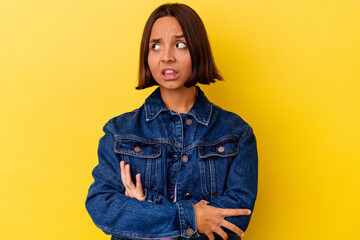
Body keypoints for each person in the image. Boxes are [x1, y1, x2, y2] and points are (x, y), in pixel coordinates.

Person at [85, 3, 258, 240]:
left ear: (198, 49)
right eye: (155, 46)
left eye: (180, 45)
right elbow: (102, 207)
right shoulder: (119, 132)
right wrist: (192, 218)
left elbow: (236, 217)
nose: (166, 57)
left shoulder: (237, 134)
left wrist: (146, 203)